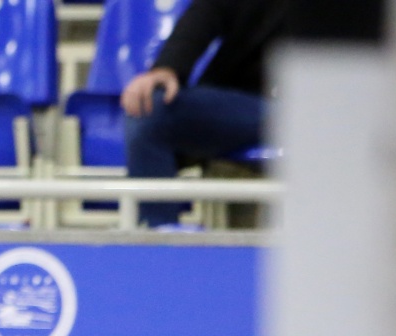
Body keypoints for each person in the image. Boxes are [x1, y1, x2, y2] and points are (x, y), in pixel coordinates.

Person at [120, 0, 286, 227]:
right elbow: (205, 13)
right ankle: (161, 236)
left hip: (321, 110)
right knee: (149, 109)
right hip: (248, 103)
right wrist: (167, 67)